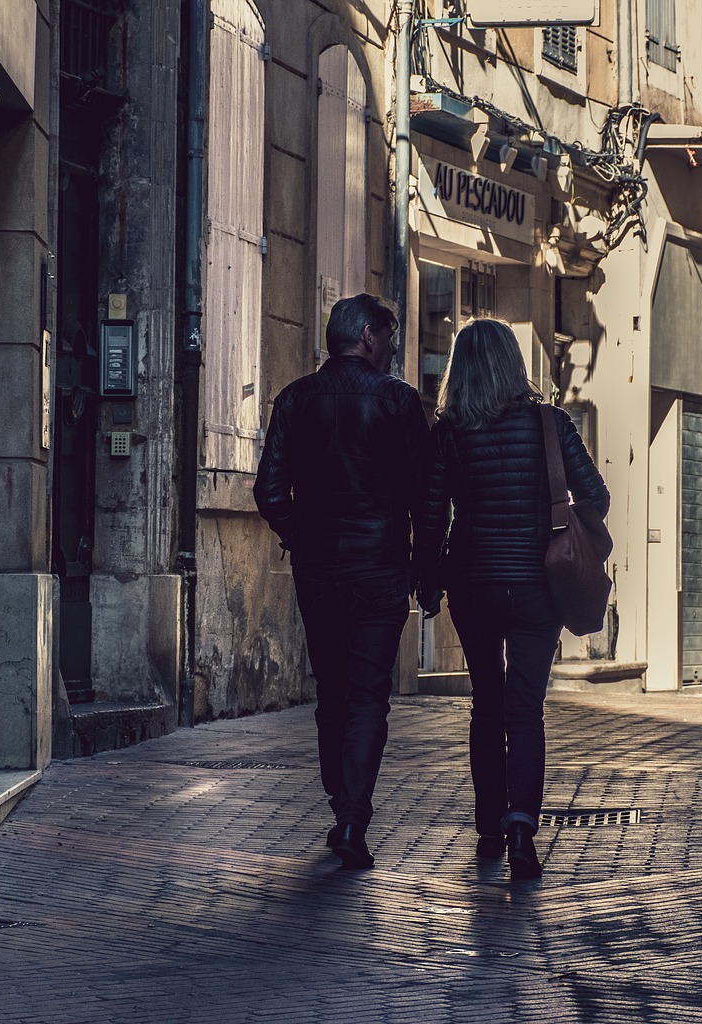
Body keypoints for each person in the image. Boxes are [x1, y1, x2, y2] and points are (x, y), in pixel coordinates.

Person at [415, 319, 609, 880]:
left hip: (473, 584)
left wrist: (426, 578)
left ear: (463, 369)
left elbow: (432, 516)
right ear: (513, 364)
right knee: (525, 710)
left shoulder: (450, 430)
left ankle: (487, 828)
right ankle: (523, 830)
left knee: (488, 706)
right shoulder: (550, 423)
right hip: (535, 585)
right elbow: (595, 494)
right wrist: (562, 519)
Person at [253, 293, 429, 870]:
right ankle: (354, 815)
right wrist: (425, 565)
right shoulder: (401, 403)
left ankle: (341, 803)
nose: (395, 346)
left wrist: (298, 536)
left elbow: (269, 490)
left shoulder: (296, 400)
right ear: (366, 337)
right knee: (368, 695)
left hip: (319, 570)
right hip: (380, 568)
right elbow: (427, 497)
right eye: (390, 334)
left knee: (332, 690)